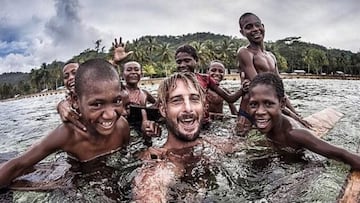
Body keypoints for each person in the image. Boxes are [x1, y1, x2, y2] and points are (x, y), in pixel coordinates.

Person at [0, 58, 130, 189]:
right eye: (97, 104)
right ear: (75, 101)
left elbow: (127, 156)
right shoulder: (69, 133)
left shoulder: (122, 126)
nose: (110, 115)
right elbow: (18, 164)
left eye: (117, 101)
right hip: (77, 177)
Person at [132, 72, 244, 202]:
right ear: (163, 110)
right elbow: (151, 188)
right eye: (177, 100)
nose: (188, 108)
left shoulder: (213, 143)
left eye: (194, 99)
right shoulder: (159, 163)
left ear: (203, 107)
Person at [247, 72, 360, 169]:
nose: (260, 111)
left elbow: (342, 154)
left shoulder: (295, 134)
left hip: (308, 166)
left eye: (268, 103)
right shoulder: (261, 121)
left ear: (282, 104)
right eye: (254, 104)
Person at [236, 12, 309, 136]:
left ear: (263, 26)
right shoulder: (245, 52)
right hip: (251, 112)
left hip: (270, 109)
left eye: (257, 25)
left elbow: (280, 90)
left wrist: (297, 114)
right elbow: (262, 89)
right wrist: (292, 115)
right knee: (242, 147)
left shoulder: (271, 57)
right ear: (242, 32)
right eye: (248, 27)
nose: (255, 29)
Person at [175, 44, 249, 125]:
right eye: (179, 62)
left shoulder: (205, 79)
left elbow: (230, 99)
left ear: (196, 60)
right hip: (184, 124)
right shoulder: (172, 83)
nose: (182, 65)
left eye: (187, 61)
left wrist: (242, 90)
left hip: (204, 124)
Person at [121, 61, 160, 142]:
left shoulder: (145, 93)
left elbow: (157, 105)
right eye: (129, 70)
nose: (133, 72)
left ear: (141, 74)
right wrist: (114, 62)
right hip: (124, 127)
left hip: (140, 127)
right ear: (122, 74)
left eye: (136, 70)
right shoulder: (119, 90)